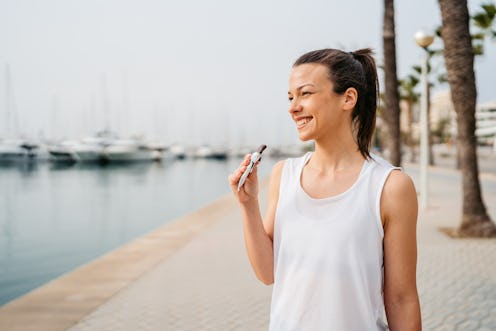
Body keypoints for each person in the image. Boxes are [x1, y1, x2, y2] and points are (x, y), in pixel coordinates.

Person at [228, 48, 421, 330]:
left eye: (305, 94)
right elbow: (268, 272)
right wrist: (248, 205)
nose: (293, 107)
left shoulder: (389, 186)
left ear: (348, 98)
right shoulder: (285, 175)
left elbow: (401, 299)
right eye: (291, 97)